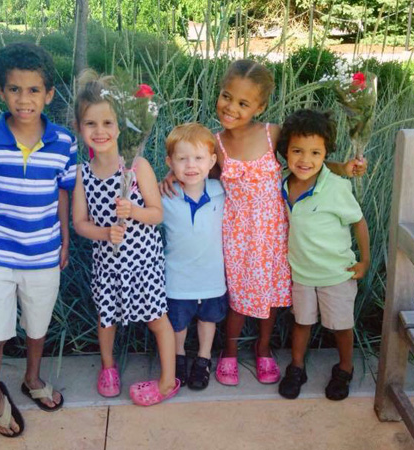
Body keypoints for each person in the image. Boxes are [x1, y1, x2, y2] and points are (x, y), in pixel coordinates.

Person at [161, 59, 366, 386]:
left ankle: (263, 347)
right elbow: (196, 166)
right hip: (236, 233)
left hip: (273, 232)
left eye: (243, 103)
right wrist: (173, 174)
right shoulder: (216, 143)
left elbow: (307, 157)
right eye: (227, 97)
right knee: (238, 297)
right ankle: (228, 351)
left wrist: (344, 167)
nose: (231, 108)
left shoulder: (272, 134)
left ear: (260, 107)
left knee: (270, 295)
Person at [0, 42, 76, 437]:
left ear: (48, 95)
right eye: (14, 89)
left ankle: (31, 378)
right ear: (0, 90)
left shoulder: (64, 143)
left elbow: (62, 194)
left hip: (44, 254)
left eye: (33, 91)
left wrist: (64, 240)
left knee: (37, 326)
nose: (23, 99)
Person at [71, 70, 179, 406]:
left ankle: (167, 379)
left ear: (121, 127)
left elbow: (157, 214)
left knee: (155, 318)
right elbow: (79, 223)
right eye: (91, 124)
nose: (100, 131)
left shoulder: (136, 167)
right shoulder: (82, 173)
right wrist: (104, 232)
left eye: (107, 123)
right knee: (107, 317)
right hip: (108, 263)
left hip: (143, 262)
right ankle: (108, 366)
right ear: (79, 128)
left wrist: (132, 211)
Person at [277, 109, 370, 401]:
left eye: (316, 153)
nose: (305, 160)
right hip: (302, 273)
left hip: (336, 274)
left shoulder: (335, 186)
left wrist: (364, 261)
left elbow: (358, 221)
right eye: (297, 151)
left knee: (341, 326)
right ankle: (297, 366)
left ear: (326, 153)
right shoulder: (282, 183)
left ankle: (344, 368)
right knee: (302, 322)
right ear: (285, 152)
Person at [162, 123, 227, 390]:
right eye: (182, 159)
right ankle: (177, 358)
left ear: (212, 161)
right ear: (170, 162)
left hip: (211, 275)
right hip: (177, 277)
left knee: (208, 320)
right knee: (178, 324)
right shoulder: (164, 195)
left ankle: (203, 358)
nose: (191, 165)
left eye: (199, 158)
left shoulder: (221, 191)